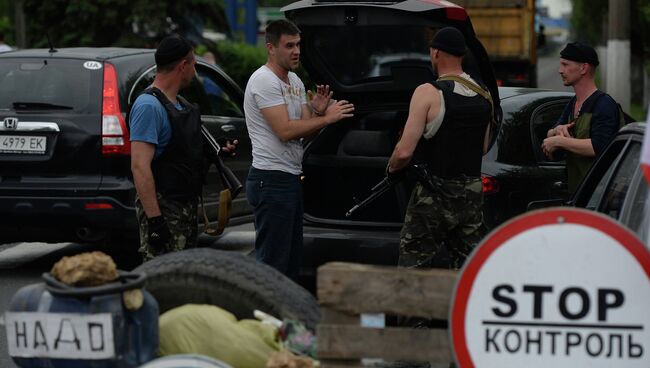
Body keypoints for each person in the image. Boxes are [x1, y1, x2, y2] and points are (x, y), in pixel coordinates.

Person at [244, 19, 355, 279]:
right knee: (273, 262)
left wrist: (317, 110)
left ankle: (285, 316)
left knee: (291, 260)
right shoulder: (263, 80)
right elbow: (285, 131)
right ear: (271, 48)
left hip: (290, 177)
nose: (296, 51)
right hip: (270, 179)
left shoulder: (293, 79)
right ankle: (265, 317)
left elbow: (306, 130)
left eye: (298, 45)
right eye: (289, 45)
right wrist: (327, 118)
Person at [387, 27, 493, 270]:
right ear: (462, 55)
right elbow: (484, 147)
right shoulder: (483, 93)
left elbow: (404, 153)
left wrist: (392, 170)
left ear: (435, 53)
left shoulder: (428, 92)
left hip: (434, 194)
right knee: (469, 270)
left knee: (414, 268)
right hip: (472, 195)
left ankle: (412, 310)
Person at [130, 34, 235, 262]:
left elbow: (183, 155)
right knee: (164, 280)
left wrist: (217, 154)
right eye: (194, 65)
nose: (195, 71)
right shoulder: (148, 106)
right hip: (164, 210)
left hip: (185, 208)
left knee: (184, 278)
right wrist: (155, 221)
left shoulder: (181, 104)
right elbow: (139, 167)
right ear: (183, 66)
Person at [542, 42, 623, 194]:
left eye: (566, 65)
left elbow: (598, 147)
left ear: (583, 68)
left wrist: (560, 141)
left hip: (598, 196)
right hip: (578, 193)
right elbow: (551, 132)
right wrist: (557, 131)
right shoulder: (573, 103)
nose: (560, 70)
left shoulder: (604, 104)